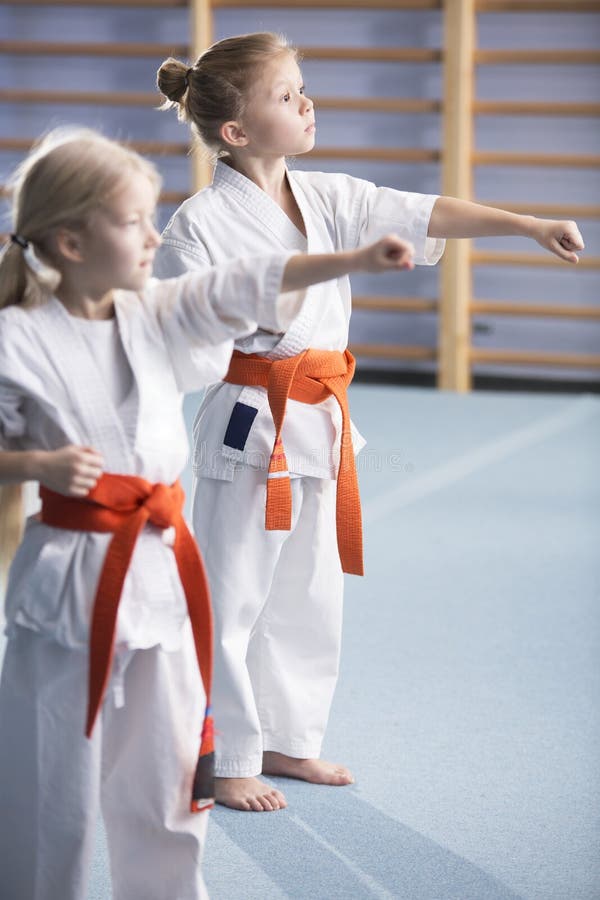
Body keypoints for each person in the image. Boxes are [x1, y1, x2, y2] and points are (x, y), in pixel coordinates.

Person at [155, 32, 584, 813]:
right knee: (234, 595)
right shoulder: (199, 224)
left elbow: (423, 211)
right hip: (251, 424)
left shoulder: (326, 197)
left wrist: (524, 222)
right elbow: (196, 325)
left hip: (321, 421)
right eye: (287, 96)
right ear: (236, 133)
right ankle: (227, 753)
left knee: (310, 594)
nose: (307, 101)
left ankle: (291, 740)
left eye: (302, 87)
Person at [0, 125, 415, 900]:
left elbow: (249, 281)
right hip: (70, 580)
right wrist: (37, 465)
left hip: (160, 574)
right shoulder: (16, 340)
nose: (157, 235)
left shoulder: (153, 310)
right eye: (133, 222)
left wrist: (355, 260)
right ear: (70, 241)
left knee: (166, 780)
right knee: (49, 784)